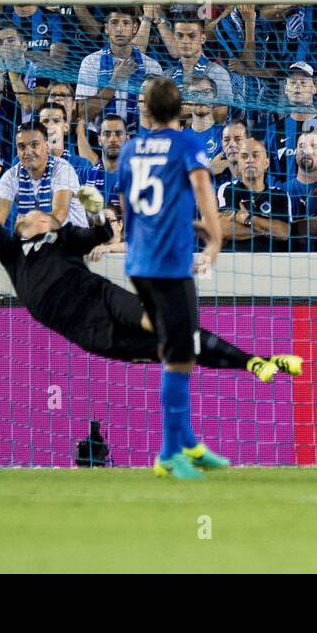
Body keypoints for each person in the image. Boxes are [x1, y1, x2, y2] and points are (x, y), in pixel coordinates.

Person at [0, 129, 297, 412]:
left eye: (42, 214)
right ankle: (255, 361)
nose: (37, 214)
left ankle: (254, 362)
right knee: (175, 348)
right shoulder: (12, 252)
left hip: (99, 296)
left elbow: (102, 235)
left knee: (167, 327)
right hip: (87, 329)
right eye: (31, 215)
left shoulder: (64, 237)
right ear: (22, 226)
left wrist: (98, 212)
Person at [118, 77, 226, 479]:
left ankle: (189, 444)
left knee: (177, 348)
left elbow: (133, 204)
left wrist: (184, 224)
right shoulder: (187, 144)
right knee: (180, 357)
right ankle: (168, 453)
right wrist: (215, 237)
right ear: (181, 110)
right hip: (168, 264)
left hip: (139, 262)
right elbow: (202, 185)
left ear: (146, 110)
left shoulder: (130, 148)